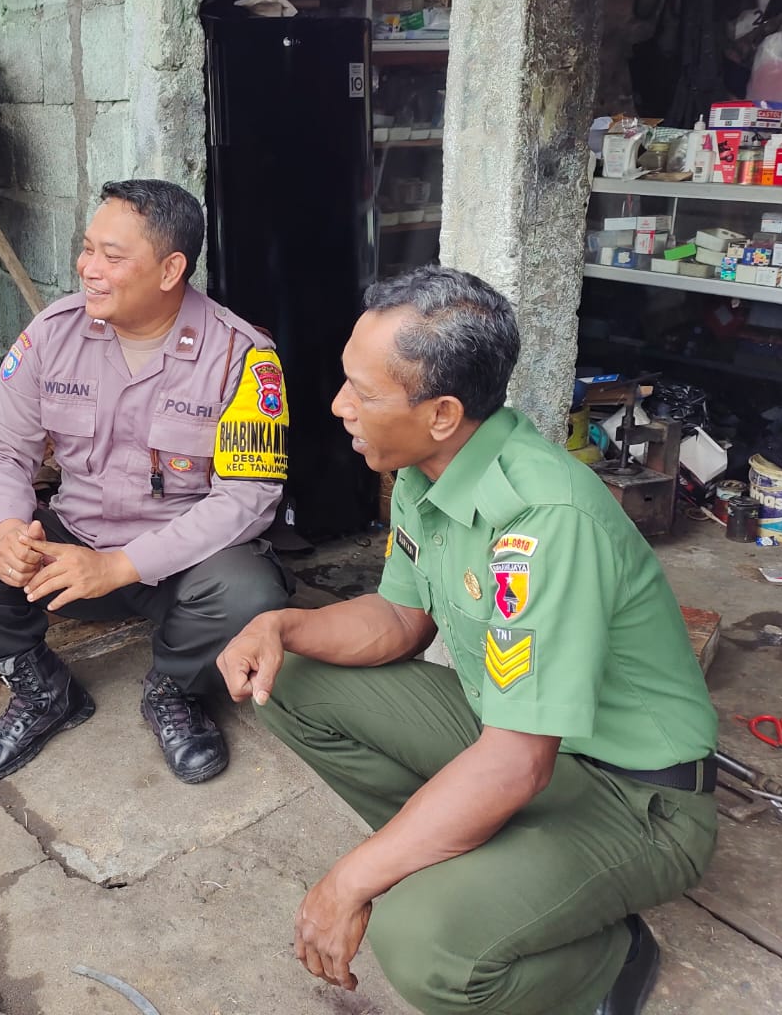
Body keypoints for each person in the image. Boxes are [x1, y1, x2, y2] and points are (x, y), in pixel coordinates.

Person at [216, 266, 718, 1015]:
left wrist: (351, 879)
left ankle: (605, 961)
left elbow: (518, 763)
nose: (338, 406)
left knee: (422, 946)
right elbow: (397, 621)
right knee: (288, 675)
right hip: (524, 745)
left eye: (363, 392)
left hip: (635, 800)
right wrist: (281, 624)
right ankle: (467, 868)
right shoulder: (426, 472)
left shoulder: (544, 522)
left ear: (442, 412)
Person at [0, 179, 293, 785]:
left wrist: (121, 565)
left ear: (171, 269)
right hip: (69, 548)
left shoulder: (241, 357)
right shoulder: (54, 332)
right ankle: (43, 691)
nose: (89, 269)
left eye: (113, 257)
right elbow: (4, 447)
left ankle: (176, 689)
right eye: (88, 249)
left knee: (249, 591)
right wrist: (11, 530)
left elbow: (247, 500)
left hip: (179, 564)